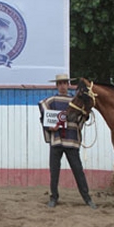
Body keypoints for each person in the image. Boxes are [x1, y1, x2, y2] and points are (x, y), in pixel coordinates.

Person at [39, 74, 97, 209]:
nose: (62, 86)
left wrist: (85, 115)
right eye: (60, 83)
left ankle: (87, 198)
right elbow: (43, 110)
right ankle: (54, 197)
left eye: (64, 83)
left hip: (71, 140)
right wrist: (49, 126)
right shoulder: (52, 100)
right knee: (54, 171)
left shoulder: (74, 100)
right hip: (57, 140)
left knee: (78, 170)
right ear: (57, 85)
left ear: (68, 84)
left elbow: (83, 114)